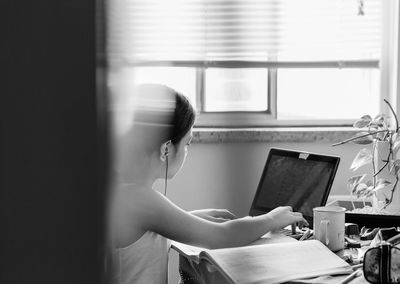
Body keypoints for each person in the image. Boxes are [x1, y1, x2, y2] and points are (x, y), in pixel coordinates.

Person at [109, 84, 308, 284]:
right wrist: (272, 218)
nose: (187, 151)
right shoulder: (140, 199)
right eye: (187, 143)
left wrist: (190, 218)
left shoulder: (120, 190)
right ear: (166, 150)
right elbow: (222, 237)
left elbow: (150, 231)